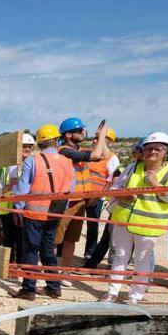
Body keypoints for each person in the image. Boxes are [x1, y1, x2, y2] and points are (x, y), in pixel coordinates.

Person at [100, 132, 168, 305]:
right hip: (124, 220)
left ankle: (135, 296)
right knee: (120, 256)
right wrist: (123, 195)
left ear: (166, 152)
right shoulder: (133, 167)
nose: (152, 152)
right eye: (148, 148)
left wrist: (156, 184)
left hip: (149, 224)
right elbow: (116, 187)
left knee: (142, 260)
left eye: (158, 149)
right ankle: (112, 292)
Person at [9, 124, 74, 300]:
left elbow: (22, 190)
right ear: (55, 140)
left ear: (39, 142)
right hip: (55, 213)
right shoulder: (68, 162)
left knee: (30, 250)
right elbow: (71, 190)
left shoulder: (32, 160)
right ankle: (53, 286)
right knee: (47, 250)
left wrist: (19, 211)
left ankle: (28, 289)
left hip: (34, 214)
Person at [55, 117, 110, 286]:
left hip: (79, 201)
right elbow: (95, 156)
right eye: (80, 131)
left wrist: (102, 137)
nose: (83, 133)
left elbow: (105, 155)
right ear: (69, 135)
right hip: (66, 201)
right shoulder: (64, 150)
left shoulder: (77, 149)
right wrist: (101, 136)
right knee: (56, 239)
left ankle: (65, 272)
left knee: (71, 239)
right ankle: (50, 272)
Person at [84, 138, 142, 269]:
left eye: (137, 151)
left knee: (133, 244)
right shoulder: (127, 168)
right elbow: (114, 186)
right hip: (119, 210)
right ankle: (92, 264)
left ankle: (106, 266)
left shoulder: (150, 172)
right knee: (108, 239)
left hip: (138, 214)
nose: (134, 154)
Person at [83, 128, 120, 260]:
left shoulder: (112, 158)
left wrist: (99, 196)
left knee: (92, 226)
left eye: (99, 139)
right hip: (81, 194)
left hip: (96, 198)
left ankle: (89, 252)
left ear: (108, 141)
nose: (95, 141)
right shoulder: (87, 153)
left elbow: (112, 180)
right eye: (95, 138)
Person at [0, 133, 36, 263]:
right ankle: (8, 265)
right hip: (8, 208)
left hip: (24, 208)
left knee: (21, 239)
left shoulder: (34, 165)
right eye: (24, 146)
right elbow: (0, 187)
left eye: (30, 147)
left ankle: (19, 265)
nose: (27, 149)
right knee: (9, 238)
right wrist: (7, 190)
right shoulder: (8, 166)